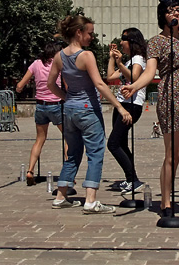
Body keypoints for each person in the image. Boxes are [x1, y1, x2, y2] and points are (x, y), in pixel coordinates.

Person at [122, 0, 179, 220]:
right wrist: (134, 86)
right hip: (173, 95)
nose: (176, 13)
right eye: (171, 10)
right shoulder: (157, 42)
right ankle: (166, 202)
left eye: (178, 10)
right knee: (174, 154)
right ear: (162, 16)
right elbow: (150, 72)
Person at [48, 14, 132, 214]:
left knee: (72, 153)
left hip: (70, 110)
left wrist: (67, 98)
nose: (92, 37)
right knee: (95, 153)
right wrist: (119, 107)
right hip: (88, 110)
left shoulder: (59, 56)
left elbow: (50, 84)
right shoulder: (86, 55)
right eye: (90, 33)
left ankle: (61, 196)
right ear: (79, 32)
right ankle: (91, 200)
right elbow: (100, 84)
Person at [15, 40, 64, 186]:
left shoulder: (36, 64)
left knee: (39, 139)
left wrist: (19, 89)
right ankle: (69, 173)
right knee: (68, 138)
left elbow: (20, 85)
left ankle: (30, 170)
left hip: (41, 106)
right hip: (56, 104)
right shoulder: (58, 64)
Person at [105, 28, 148, 194]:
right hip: (122, 104)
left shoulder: (138, 58)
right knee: (121, 144)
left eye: (124, 39)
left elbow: (134, 78)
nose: (121, 42)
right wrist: (112, 58)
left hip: (132, 105)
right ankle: (132, 179)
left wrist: (120, 64)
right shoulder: (130, 60)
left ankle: (133, 180)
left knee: (113, 143)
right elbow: (110, 77)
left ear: (132, 41)